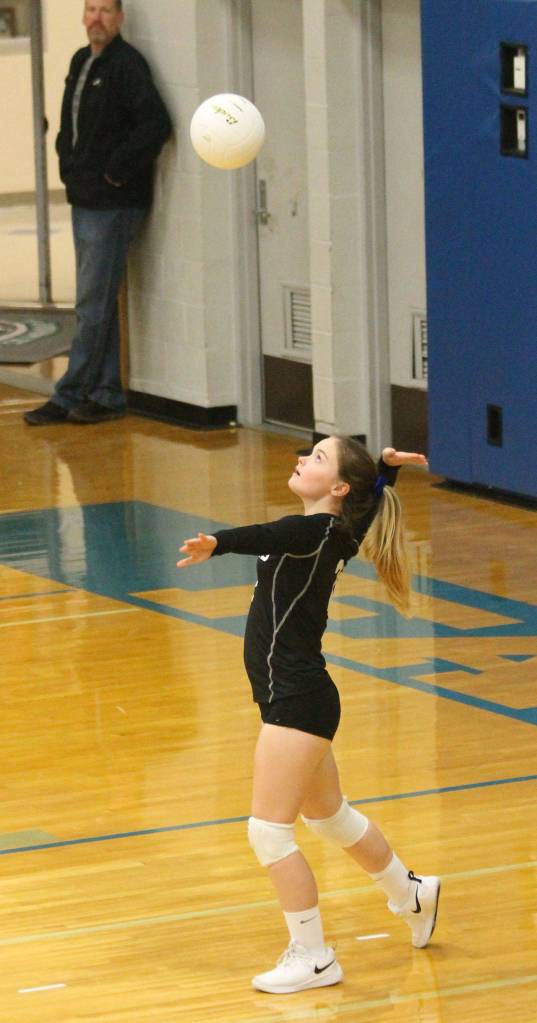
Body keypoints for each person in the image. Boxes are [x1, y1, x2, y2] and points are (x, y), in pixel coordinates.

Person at [177, 436, 440, 995]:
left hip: (296, 700)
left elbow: (267, 535)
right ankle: (409, 891)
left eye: (317, 458)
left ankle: (314, 956)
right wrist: (385, 474)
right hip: (298, 697)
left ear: (338, 488)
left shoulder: (315, 532)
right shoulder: (337, 535)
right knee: (329, 818)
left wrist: (218, 543)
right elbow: (359, 506)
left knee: (268, 833)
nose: (302, 459)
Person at [25, 1, 171, 426]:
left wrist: (115, 172)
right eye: (90, 9)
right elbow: (72, 122)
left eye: (106, 10)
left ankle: (68, 393)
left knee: (91, 303)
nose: (96, 18)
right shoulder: (81, 59)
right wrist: (69, 165)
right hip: (84, 197)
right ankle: (106, 394)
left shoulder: (128, 65)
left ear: (120, 18)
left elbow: (156, 124)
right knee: (99, 302)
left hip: (112, 205)